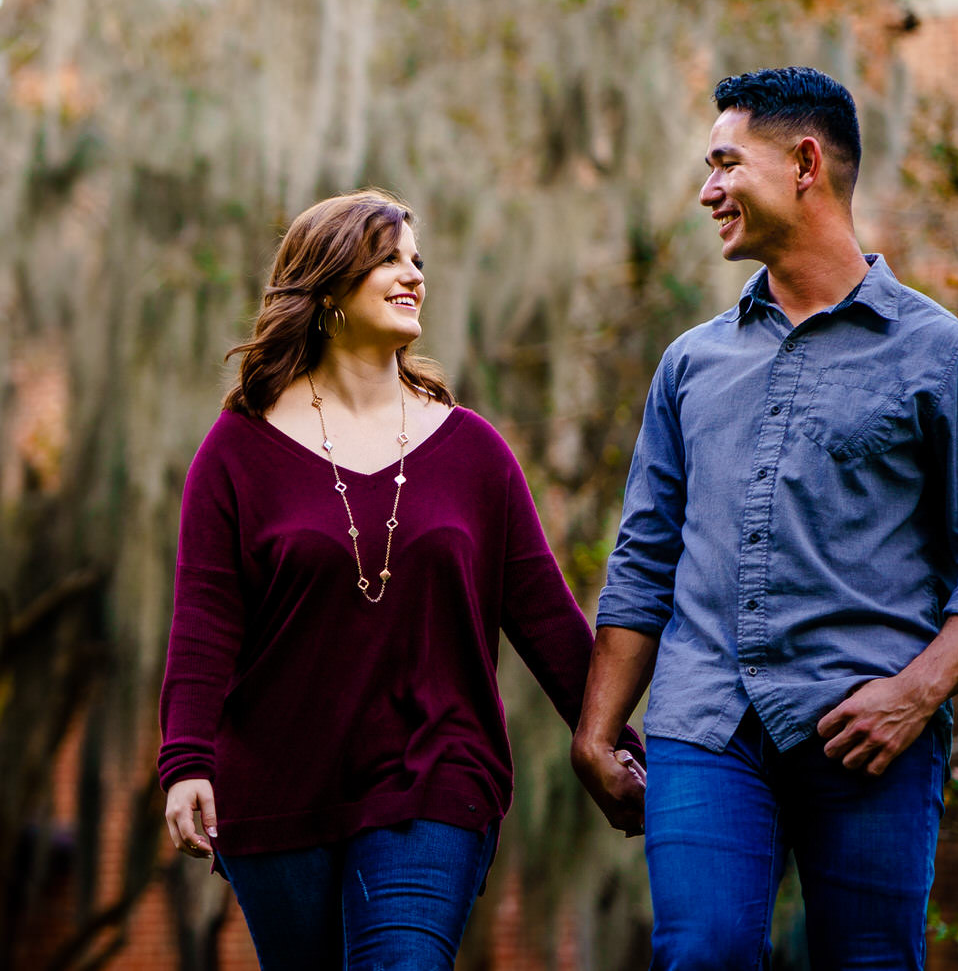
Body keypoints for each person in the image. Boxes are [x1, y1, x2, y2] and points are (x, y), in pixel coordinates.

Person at [571, 67, 958, 968]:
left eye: (725, 163)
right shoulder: (689, 365)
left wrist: (915, 693)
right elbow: (643, 560)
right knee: (703, 953)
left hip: (872, 733)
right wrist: (597, 729)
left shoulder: (945, 357)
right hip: (705, 725)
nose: (707, 189)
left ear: (804, 164)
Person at [159, 189, 642, 971]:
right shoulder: (237, 450)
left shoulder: (473, 452)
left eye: (416, 259)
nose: (411, 274)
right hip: (280, 789)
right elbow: (205, 622)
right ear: (325, 286)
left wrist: (621, 745)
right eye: (387, 257)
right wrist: (186, 762)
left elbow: (549, 623)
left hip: (436, 774)